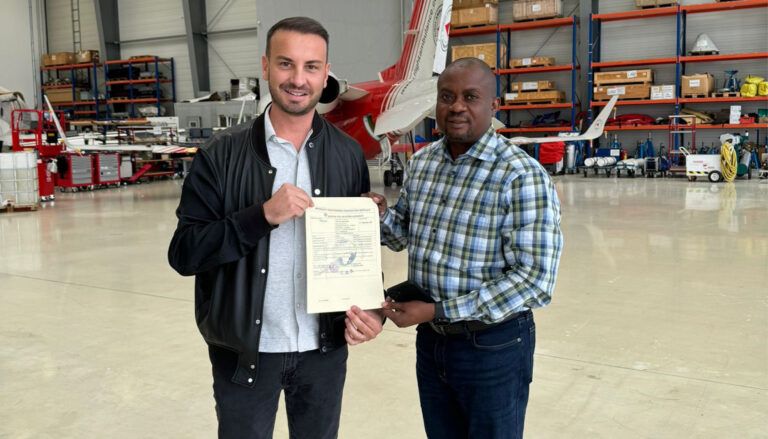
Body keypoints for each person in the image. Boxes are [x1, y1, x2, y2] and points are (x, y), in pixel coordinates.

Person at [168, 17, 383, 439]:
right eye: (286, 64)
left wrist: (371, 310)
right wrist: (260, 216)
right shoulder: (219, 154)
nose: (298, 79)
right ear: (265, 66)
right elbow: (185, 253)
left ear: (326, 74)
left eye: (311, 67)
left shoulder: (348, 154)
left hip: (323, 351)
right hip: (246, 354)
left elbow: (359, 252)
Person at [366, 57, 564, 439]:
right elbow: (403, 233)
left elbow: (535, 281)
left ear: (493, 106)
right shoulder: (423, 163)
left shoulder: (520, 175)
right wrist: (377, 214)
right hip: (432, 342)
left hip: (493, 346)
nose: (456, 106)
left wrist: (439, 310)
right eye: (447, 96)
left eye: (470, 97)